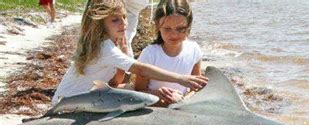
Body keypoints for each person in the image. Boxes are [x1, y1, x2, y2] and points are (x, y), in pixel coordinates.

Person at [52, 0, 207, 105]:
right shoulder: (105, 48)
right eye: (115, 20)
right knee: (130, 92)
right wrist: (181, 79)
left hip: (87, 96)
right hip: (66, 101)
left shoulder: (115, 45)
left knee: (127, 89)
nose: (124, 23)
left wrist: (125, 57)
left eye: (125, 17)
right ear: (99, 24)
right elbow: (140, 69)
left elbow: (114, 83)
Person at [134, 0, 202, 107]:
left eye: (180, 29)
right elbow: (138, 91)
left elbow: (197, 88)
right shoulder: (150, 54)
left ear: (188, 25)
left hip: (181, 107)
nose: (174, 34)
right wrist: (159, 95)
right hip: (155, 108)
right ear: (157, 25)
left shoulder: (194, 50)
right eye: (167, 29)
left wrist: (183, 101)